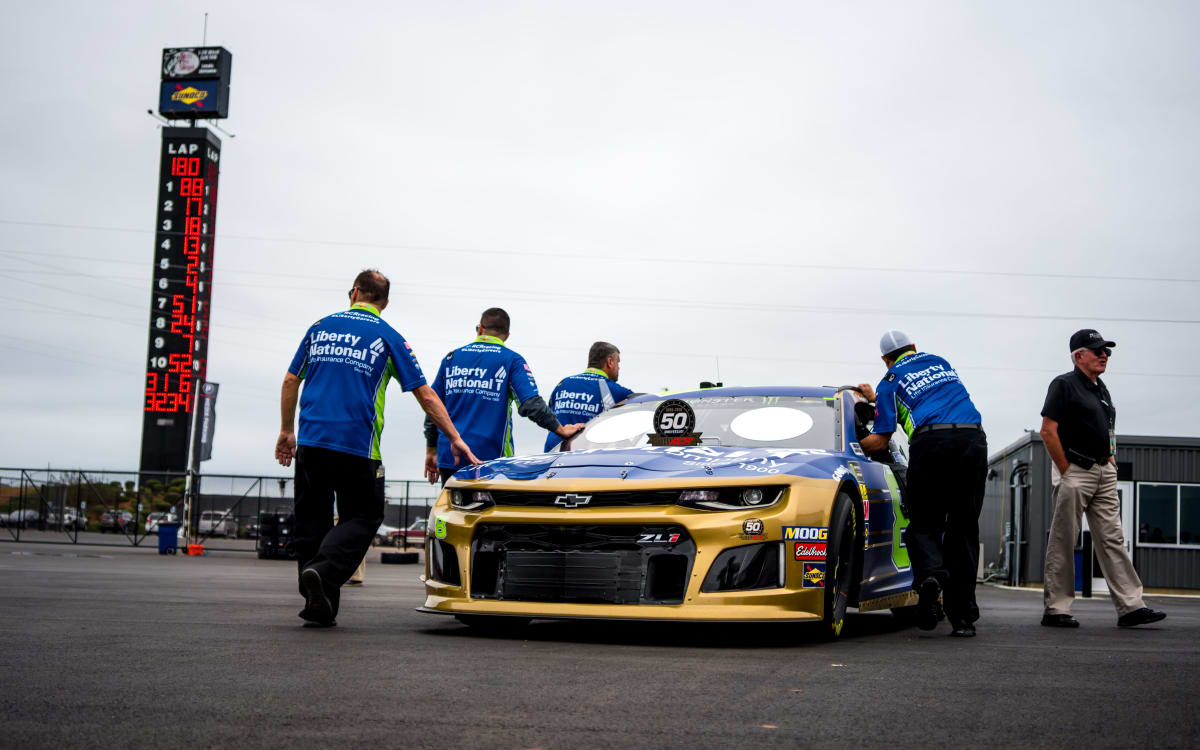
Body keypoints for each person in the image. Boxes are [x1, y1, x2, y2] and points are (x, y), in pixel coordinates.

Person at [275, 269, 479, 627]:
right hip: (357, 447)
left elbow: (292, 379)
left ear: (354, 292)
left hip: (310, 443)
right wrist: (454, 437)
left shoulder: (319, 328)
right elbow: (425, 393)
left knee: (312, 521)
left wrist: (286, 430)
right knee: (365, 516)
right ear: (384, 302)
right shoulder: (388, 335)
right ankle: (322, 574)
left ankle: (317, 602)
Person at [857, 330, 987, 637]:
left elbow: (879, 442)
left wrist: (854, 440)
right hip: (972, 440)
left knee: (924, 524)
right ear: (914, 347)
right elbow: (926, 395)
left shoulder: (889, 381)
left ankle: (931, 577)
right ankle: (964, 619)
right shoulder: (940, 362)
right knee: (964, 528)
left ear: (885, 360)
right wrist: (879, 400)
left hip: (931, 444)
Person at [1039, 329, 1166, 629]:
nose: (1104, 355)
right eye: (1097, 351)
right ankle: (1056, 609)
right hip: (1075, 470)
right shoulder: (1064, 385)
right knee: (1064, 539)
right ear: (1078, 355)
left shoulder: (1102, 390)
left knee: (1113, 539)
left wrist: (1110, 456)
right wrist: (1066, 469)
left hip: (1103, 471)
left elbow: (1107, 427)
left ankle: (1131, 607)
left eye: (1106, 351)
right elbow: (1048, 430)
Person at [424, 308, 584, 484]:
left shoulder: (451, 358)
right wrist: (560, 429)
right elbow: (530, 404)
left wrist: (431, 449)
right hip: (492, 459)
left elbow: (432, 405)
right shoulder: (511, 360)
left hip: (451, 456)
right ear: (507, 335)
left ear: (479, 329)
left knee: (452, 510)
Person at [543, 342, 635, 451]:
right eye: (618, 362)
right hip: (584, 458)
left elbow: (549, 417)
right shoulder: (618, 392)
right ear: (610, 362)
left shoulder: (562, 384)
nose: (618, 367)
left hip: (551, 455)